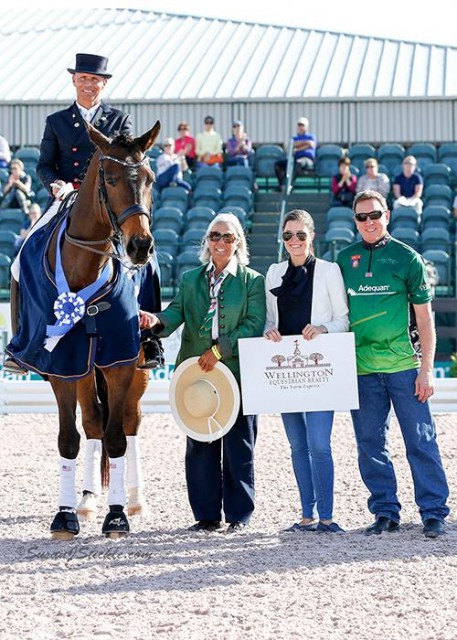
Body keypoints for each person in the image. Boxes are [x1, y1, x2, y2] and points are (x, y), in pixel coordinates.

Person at [4, 52, 162, 374]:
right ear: (75, 80)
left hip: (109, 203)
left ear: (104, 83)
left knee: (150, 260)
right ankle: (23, 342)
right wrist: (56, 185)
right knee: (22, 259)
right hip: (66, 198)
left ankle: (149, 340)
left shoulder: (119, 120)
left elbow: (131, 160)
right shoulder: (57, 122)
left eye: (95, 80)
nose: (89, 84)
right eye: (84, 78)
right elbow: (44, 164)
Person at [139, 213, 266, 533]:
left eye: (227, 237)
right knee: (200, 443)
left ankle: (239, 514)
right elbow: (176, 312)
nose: (220, 242)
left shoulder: (253, 281)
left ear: (237, 243)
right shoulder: (191, 278)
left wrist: (219, 351)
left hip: (236, 371)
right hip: (196, 372)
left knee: (240, 445)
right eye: (214, 236)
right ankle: (206, 515)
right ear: (207, 241)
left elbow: (253, 325)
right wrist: (155, 321)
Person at [336, 189, 449, 539]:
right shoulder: (344, 260)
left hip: (403, 367)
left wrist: (425, 369)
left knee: (420, 440)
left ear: (387, 215)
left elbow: (426, 321)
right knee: (370, 444)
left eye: (375, 215)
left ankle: (433, 512)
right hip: (361, 370)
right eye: (361, 217)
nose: (369, 222)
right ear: (354, 221)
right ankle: (385, 511)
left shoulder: (407, 259)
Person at [264, 209, 349, 534]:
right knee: (297, 446)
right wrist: (269, 331)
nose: (294, 241)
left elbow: (343, 319)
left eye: (301, 234)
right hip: (286, 372)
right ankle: (306, 516)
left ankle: (327, 517)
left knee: (319, 444)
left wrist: (324, 328)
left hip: (319, 371)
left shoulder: (329, 271)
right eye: (288, 235)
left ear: (311, 236)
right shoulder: (274, 272)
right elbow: (271, 321)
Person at [274, 117, 317, 191]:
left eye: (302, 125)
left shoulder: (311, 136)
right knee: (278, 165)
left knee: (297, 163)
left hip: (307, 159)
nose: (300, 127)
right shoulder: (294, 138)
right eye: (299, 125)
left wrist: (298, 148)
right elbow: (291, 145)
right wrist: (306, 143)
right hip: (295, 159)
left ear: (306, 127)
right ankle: (281, 185)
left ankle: (289, 184)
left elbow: (311, 144)